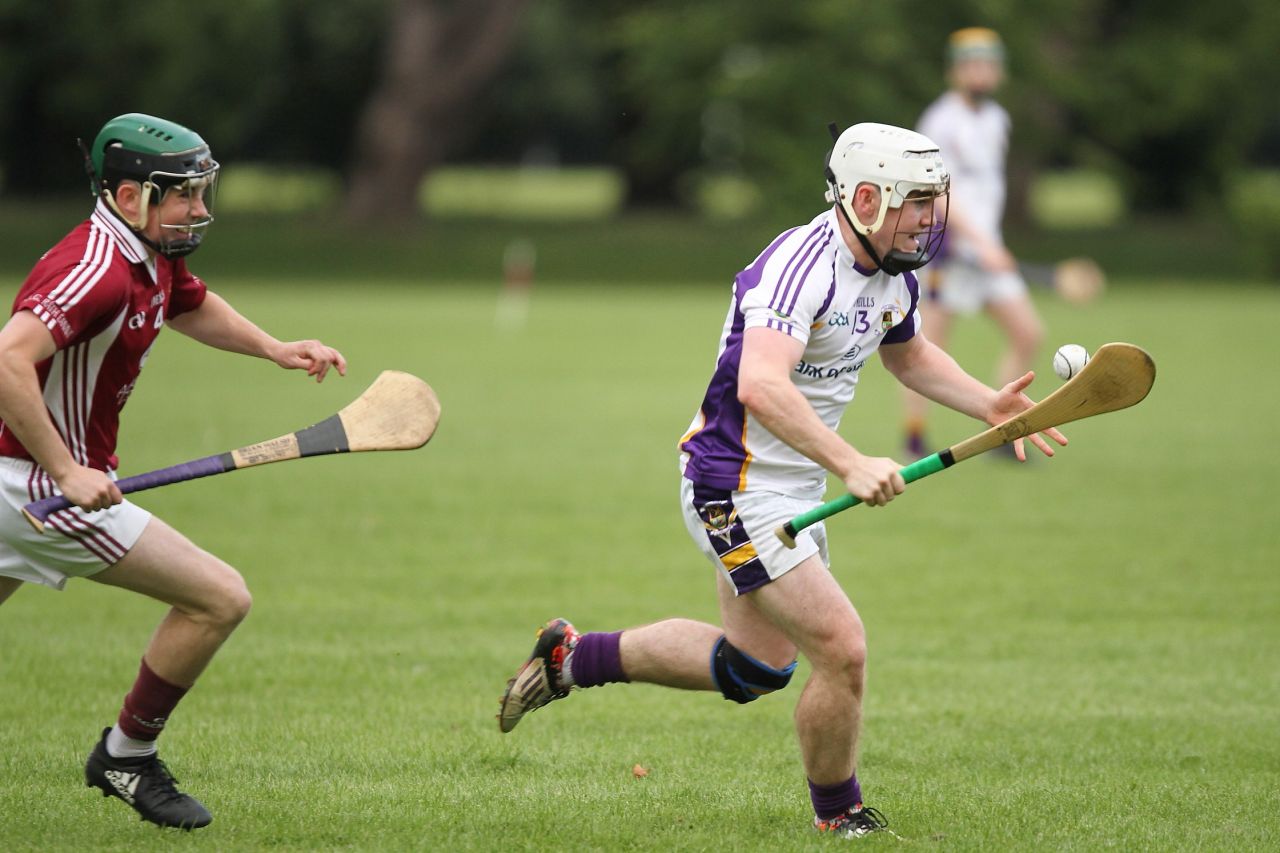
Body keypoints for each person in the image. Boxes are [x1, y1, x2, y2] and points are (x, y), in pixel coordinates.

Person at [498, 122, 1066, 839]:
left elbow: (908, 353)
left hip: (790, 487)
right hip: (732, 484)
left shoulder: (893, 268)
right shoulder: (801, 267)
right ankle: (841, 816)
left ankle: (572, 658)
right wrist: (851, 462)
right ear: (865, 198)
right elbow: (761, 384)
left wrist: (989, 402)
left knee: (754, 669)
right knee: (843, 647)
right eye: (916, 199)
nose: (931, 215)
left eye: (934, 198)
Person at [0, 113, 346, 829]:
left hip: (27, 480)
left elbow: (185, 303)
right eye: (184, 194)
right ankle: (126, 754)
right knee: (218, 597)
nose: (200, 209)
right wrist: (64, 470)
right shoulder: (94, 268)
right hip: (33, 490)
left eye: (201, 190)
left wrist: (275, 348)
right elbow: (7, 358)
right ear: (131, 197)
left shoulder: (147, 252)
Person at [902, 27, 1045, 459]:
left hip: (988, 251)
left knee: (1027, 331)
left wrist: (990, 244)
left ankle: (1005, 429)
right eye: (971, 64)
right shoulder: (940, 121)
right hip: (949, 252)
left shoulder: (998, 119)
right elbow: (938, 191)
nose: (980, 72)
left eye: (988, 64)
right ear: (955, 71)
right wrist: (979, 242)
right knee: (925, 348)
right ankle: (914, 437)